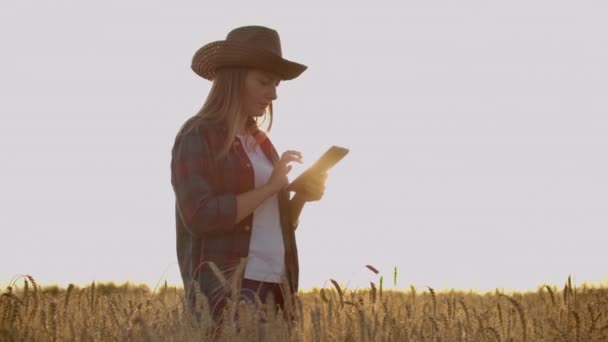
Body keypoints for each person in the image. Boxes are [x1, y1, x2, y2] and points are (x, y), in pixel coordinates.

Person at [170, 25, 328, 330]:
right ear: (233, 80)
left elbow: (275, 224)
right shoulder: (197, 134)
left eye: (277, 85)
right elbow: (199, 216)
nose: (274, 95)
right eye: (264, 82)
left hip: (278, 286)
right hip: (230, 289)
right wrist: (270, 187)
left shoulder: (262, 144)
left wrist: (302, 198)